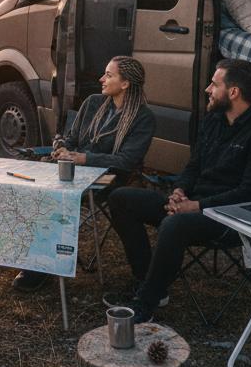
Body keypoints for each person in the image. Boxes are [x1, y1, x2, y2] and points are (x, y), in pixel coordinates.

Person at [104, 58, 251, 321]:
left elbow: (250, 193)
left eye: (214, 84)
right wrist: (180, 191)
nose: (207, 90)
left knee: (174, 225)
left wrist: (196, 206)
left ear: (233, 92)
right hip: (194, 203)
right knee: (121, 198)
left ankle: (145, 302)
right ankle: (149, 282)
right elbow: (194, 166)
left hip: (231, 217)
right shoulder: (213, 120)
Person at [12, 55, 155, 292]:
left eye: (109, 75)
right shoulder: (93, 103)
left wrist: (84, 158)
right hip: (73, 170)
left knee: (57, 197)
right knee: (35, 189)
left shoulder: (142, 117)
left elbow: (126, 161)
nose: (102, 78)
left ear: (126, 83)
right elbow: (72, 138)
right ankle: (38, 261)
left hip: (111, 178)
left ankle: (42, 267)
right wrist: (62, 147)